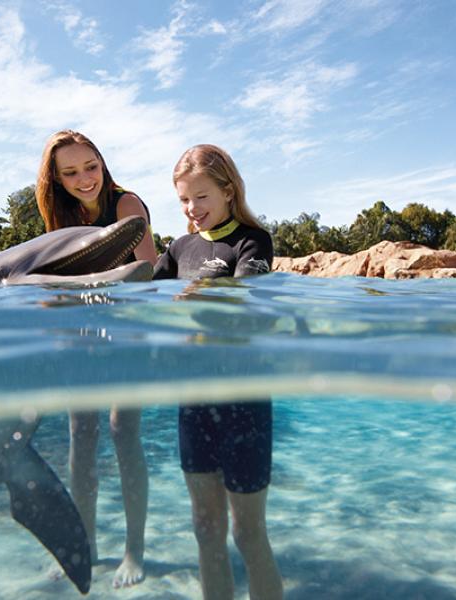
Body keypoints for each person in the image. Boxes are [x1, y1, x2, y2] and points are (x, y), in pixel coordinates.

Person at [154, 144, 283, 600]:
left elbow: (246, 296)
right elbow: (143, 296)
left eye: (201, 197)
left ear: (228, 191)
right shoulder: (177, 249)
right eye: (184, 201)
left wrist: (198, 296)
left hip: (242, 399)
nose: (192, 210)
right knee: (206, 530)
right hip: (194, 399)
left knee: (248, 533)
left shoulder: (253, 240)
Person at [36, 129, 157, 588]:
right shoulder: (61, 214)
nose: (85, 179)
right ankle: (83, 546)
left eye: (91, 166)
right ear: (57, 180)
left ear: (102, 162)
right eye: (70, 173)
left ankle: (134, 551)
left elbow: (142, 276)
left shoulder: (126, 205)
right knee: (79, 441)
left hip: (128, 330)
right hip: (84, 336)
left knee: (123, 434)